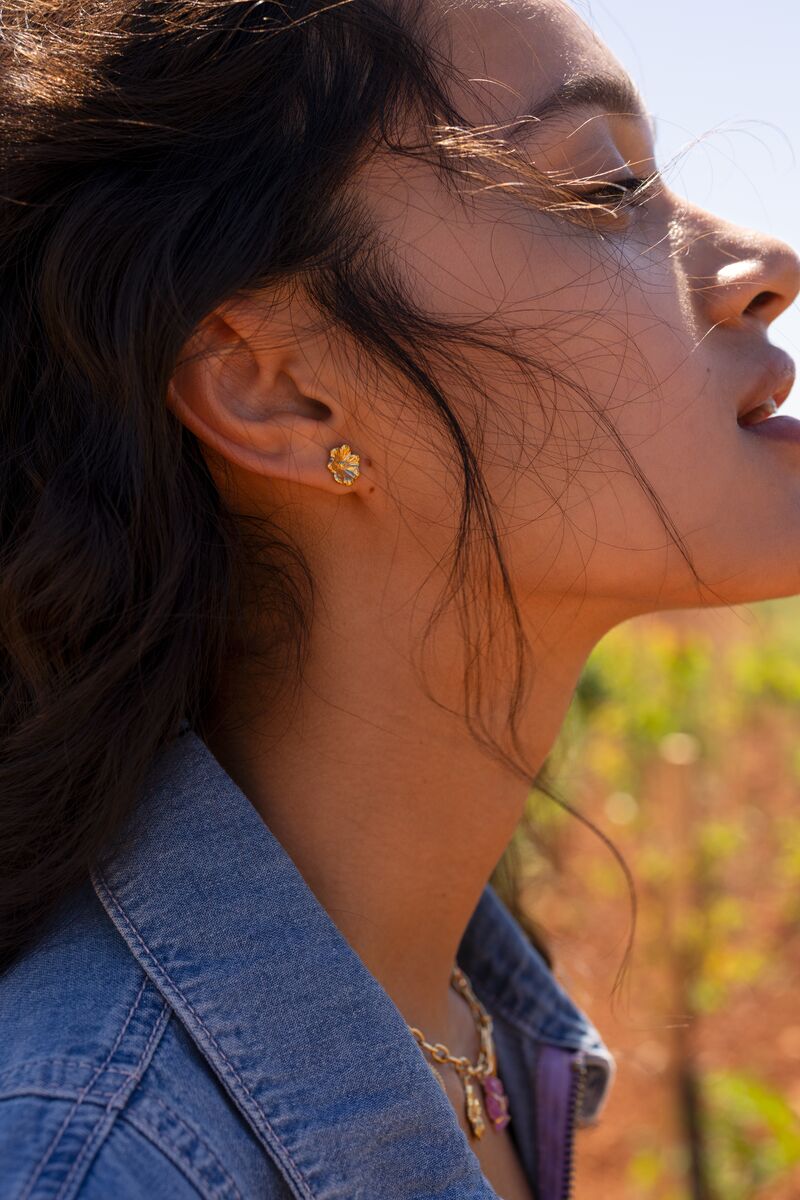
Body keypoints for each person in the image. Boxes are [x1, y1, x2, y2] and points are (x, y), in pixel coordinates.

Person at [1, 0, 799, 1196]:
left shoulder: (469, 1003)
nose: (766, 267)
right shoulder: (98, 1160)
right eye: (599, 186)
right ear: (276, 391)